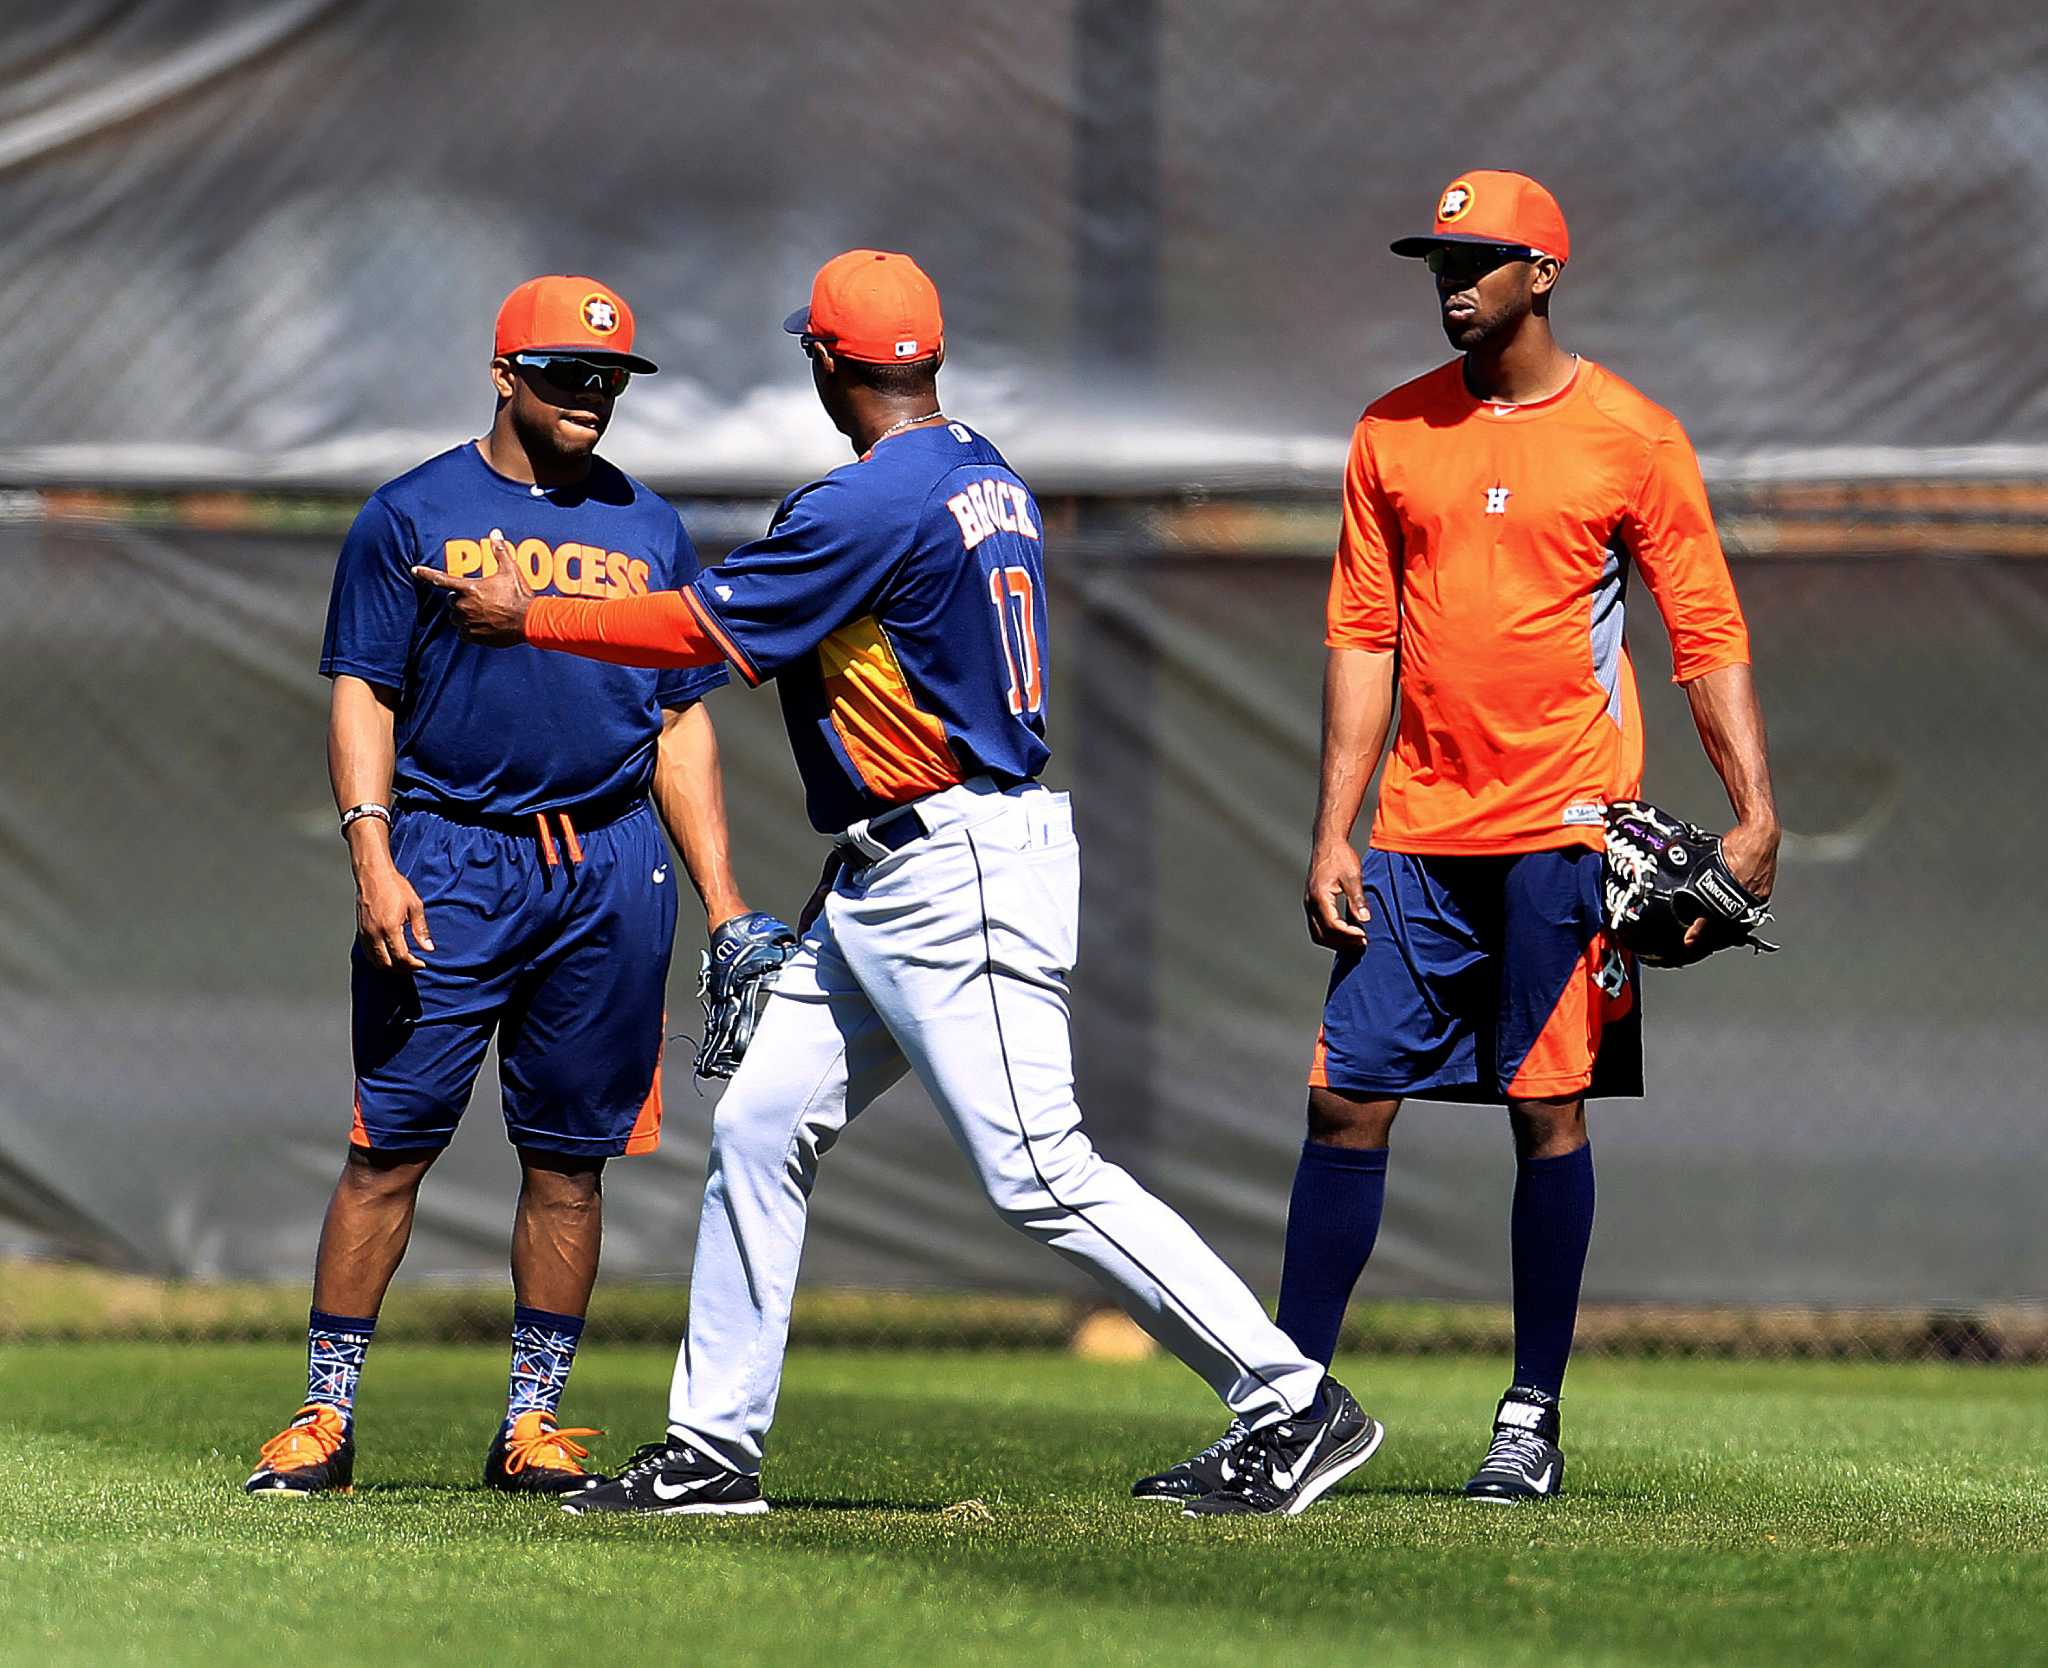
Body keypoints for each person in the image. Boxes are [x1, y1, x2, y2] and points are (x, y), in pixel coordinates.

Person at [420, 249, 1378, 1519]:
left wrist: (523, 613)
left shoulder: (872, 501)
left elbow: (697, 632)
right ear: (924, 358)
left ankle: (1292, 1400)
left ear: (826, 361)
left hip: (955, 861)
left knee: (1039, 1167)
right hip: (895, 865)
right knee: (759, 1132)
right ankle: (713, 1448)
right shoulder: (981, 467)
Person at [1136, 171, 1780, 1504]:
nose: (1452, 275)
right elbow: (1362, 639)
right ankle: (1291, 1409)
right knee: (1344, 1098)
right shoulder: (1391, 433)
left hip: (1564, 832)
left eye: (1479, 257)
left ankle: (1530, 1418)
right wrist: (1334, 834)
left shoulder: (1630, 436)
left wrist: (1755, 808)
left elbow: (1703, 632)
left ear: (1544, 271)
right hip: (1417, 838)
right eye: (1440, 256)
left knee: (1546, 1117)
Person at [246, 275, 779, 1498]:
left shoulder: (648, 529)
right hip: (448, 854)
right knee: (390, 1146)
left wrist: (726, 899)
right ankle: (323, 1418)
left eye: (608, 376)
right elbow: (362, 692)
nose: (590, 393)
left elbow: (681, 724)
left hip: (605, 861)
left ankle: (529, 1423)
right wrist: (372, 857)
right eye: (564, 372)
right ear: (504, 374)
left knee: (569, 1160)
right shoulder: (412, 514)